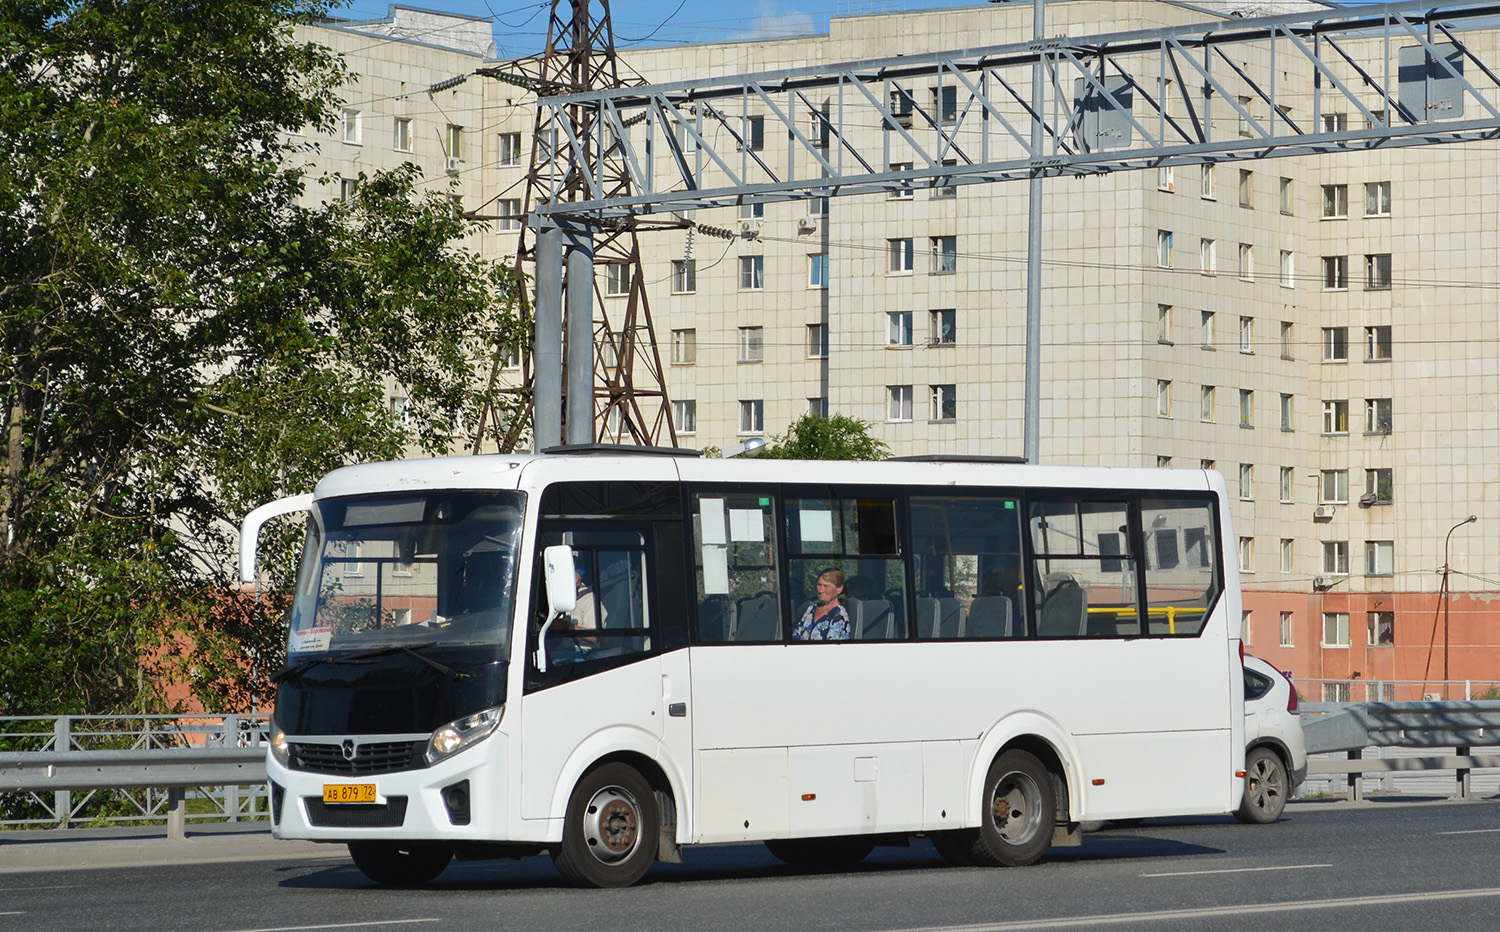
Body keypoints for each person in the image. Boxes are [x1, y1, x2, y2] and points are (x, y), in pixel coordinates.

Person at [792, 568, 851, 640]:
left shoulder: (839, 616)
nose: (821, 590)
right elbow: (796, 635)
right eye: (819, 585)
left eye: (826, 586)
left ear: (839, 589)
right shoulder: (811, 609)